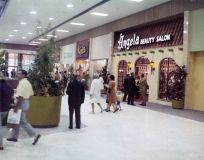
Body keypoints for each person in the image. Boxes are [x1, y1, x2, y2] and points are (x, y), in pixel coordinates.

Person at [7, 70, 41, 145]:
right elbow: (31, 94)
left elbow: (21, 96)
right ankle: (14, 137)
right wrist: (26, 99)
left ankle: (35, 135)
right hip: (25, 102)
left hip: (21, 103)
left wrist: (17, 107)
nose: (17, 75)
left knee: (22, 121)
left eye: (19, 74)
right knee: (17, 120)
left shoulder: (22, 83)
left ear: (23, 75)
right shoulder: (27, 83)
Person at [0, 72, 14, 150]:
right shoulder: (8, 86)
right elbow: (12, 98)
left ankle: (1, 145)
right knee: (1, 126)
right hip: (5, 109)